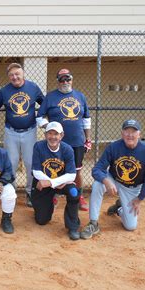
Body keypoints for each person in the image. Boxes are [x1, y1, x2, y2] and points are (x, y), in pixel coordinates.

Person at [80, 119, 145, 239]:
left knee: (130, 226)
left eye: (133, 132)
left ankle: (120, 208)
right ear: (122, 133)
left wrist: (139, 199)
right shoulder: (113, 147)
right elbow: (97, 169)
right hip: (114, 179)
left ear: (139, 134)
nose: (130, 135)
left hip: (132, 188)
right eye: (127, 131)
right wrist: (106, 181)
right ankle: (93, 223)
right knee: (98, 184)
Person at [37, 68, 91, 211]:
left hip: (77, 141)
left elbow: (86, 119)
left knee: (77, 171)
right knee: (53, 168)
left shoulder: (80, 96)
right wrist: (50, 128)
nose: (65, 82)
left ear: (72, 80)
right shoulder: (50, 97)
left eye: (68, 79)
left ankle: (78, 196)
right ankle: (52, 195)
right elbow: (39, 116)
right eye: (62, 79)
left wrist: (88, 139)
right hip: (56, 143)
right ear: (58, 81)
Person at [0, 63, 44, 207]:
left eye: (17, 74)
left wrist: (43, 119)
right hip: (11, 132)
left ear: (23, 74)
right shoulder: (4, 91)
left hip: (30, 131)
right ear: (9, 77)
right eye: (12, 75)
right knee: (11, 163)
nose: (15, 77)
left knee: (30, 163)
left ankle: (29, 191)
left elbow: (44, 104)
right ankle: (11, 191)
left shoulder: (33, 87)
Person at [31, 122, 81, 240]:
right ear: (45, 134)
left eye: (56, 134)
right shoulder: (38, 146)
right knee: (41, 220)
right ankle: (50, 202)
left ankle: (73, 227)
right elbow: (36, 171)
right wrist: (51, 183)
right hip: (43, 182)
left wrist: (54, 183)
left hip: (60, 183)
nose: (53, 137)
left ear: (62, 135)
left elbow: (72, 174)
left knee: (74, 192)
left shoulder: (67, 149)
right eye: (50, 133)